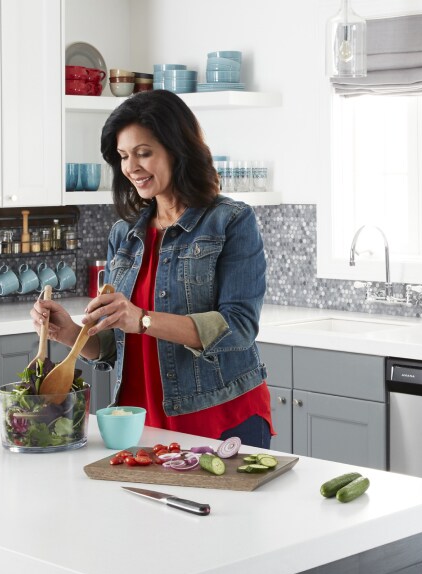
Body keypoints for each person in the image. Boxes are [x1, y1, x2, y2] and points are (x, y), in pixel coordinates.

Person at [31, 90, 273, 448]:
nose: (131, 167)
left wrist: (142, 319)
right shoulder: (124, 234)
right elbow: (116, 346)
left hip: (219, 416)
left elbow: (239, 328)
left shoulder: (231, 221)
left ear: (179, 150)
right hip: (137, 422)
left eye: (144, 153)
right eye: (124, 156)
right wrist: (70, 333)